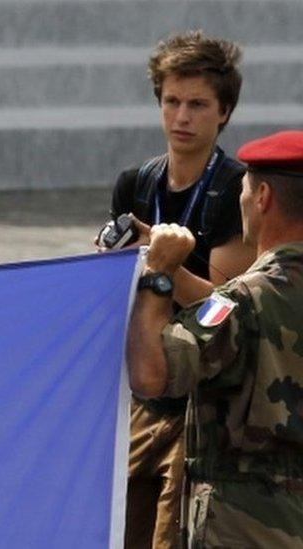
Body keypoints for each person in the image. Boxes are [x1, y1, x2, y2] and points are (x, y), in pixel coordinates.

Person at [104, 31, 256, 548]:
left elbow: (228, 304)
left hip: (202, 397)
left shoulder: (236, 191)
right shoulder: (136, 184)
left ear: (225, 112)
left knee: (173, 537)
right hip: (144, 391)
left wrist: (162, 265)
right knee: (120, 530)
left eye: (198, 104)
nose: (182, 117)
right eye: (172, 102)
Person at [126, 130, 303, 547]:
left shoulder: (245, 300)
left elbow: (153, 373)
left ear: (262, 198)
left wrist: (157, 277)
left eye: (243, 189)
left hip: (245, 525)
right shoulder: (245, 299)